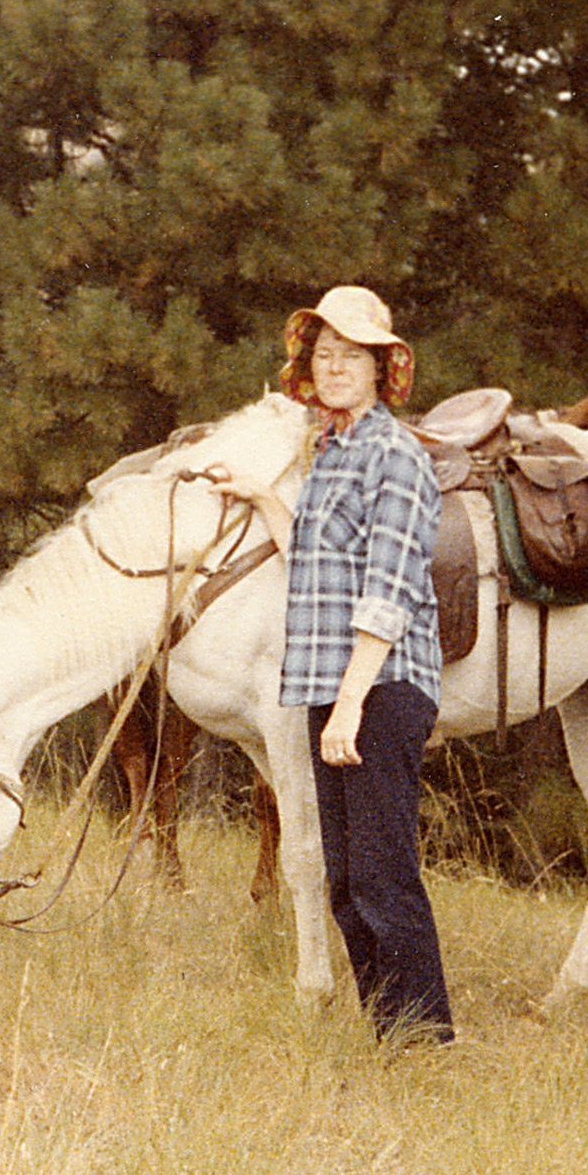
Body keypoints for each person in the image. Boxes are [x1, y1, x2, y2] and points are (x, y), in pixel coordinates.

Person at [218, 286, 454, 1044]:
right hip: (335, 688)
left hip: (378, 689)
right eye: (325, 355)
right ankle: (389, 1034)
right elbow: (317, 562)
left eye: (353, 356)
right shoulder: (330, 453)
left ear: (384, 368)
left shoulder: (395, 455)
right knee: (349, 884)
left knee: (385, 876)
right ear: (308, 369)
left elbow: (386, 592)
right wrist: (262, 496)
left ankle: (425, 1040)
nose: (337, 367)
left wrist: (351, 703)